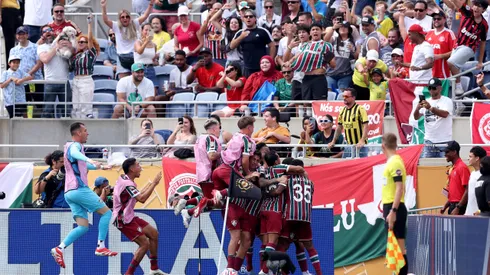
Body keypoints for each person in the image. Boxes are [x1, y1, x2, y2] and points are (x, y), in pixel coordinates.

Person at [51, 122, 116, 269]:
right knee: (106, 214)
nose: (88, 133)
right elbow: (77, 154)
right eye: (85, 131)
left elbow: (81, 165)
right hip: (79, 189)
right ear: (78, 133)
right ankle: (100, 246)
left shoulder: (69, 148)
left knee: (83, 226)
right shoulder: (75, 146)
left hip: (69, 193)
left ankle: (59, 248)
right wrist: (89, 159)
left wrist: (101, 166)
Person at [112, 158, 167, 275]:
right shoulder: (128, 184)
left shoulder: (124, 178)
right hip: (122, 219)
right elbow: (142, 199)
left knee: (153, 234)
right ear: (131, 169)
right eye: (138, 165)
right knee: (144, 244)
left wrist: (150, 185)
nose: (140, 167)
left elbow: (137, 195)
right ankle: (129, 273)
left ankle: (154, 269)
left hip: (129, 216)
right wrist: (154, 184)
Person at [175, 119, 223, 226]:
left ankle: (186, 203)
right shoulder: (211, 139)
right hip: (210, 174)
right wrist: (224, 152)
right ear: (214, 128)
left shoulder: (200, 138)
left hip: (202, 173)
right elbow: (211, 155)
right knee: (216, 202)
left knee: (209, 200)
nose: (220, 131)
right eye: (219, 128)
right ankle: (188, 212)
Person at [445, 0, 488, 95]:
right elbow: (455, 3)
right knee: (453, 71)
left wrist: (481, 61)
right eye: (475, 5)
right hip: (457, 46)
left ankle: (459, 86)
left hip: (469, 48)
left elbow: (483, 42)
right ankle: (460, 104)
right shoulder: (467, 12)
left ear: (483, 10)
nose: (476, 8)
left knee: (450, 62)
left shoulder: (484, 25)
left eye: (479, 6)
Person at [101, 0, 153, 79]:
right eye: (122, 17)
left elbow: (145, 15)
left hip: (134, 57)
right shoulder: (116, 26)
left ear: (130, 17)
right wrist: (103, 7)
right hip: (121, 57)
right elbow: (105, 20)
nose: (125, 18)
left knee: (136, 81)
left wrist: (151, 4)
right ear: (120, 18)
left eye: (127, 16)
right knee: (123, 82)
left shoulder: (134, 23)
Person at [380, 133, 409, 275]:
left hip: (395, 207)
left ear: (383, 146)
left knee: (398, 248)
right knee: (396, 248)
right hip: (391, 206)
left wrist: (393, 211)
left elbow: (399, 187)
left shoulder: (395, 162)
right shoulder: (392, 162)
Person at [413, 77, 454, 158]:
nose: (431, 90)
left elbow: (445, 114)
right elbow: (416, 117)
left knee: (443, 167)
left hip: (444, 141)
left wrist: (430, 108)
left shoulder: (447, 100)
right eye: (429, 88)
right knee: (427, 167)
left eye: (434, 88)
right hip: (429, 140)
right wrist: (417, 109)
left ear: (440, 88)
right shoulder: (427, 101)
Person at [38, 25, 71, 118]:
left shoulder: (64, 43)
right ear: (42, 35)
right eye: (45, 31)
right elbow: (45, 59)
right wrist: (57, 46)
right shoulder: (41, 47)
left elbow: (73, 54)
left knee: (67, 110)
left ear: (54, 32)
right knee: (47, 110)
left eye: (50, 30)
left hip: (65, 82)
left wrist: (69, 46)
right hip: (50, 82)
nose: (48, 32)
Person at [230, 9, 276, 77]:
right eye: (246, 16)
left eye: (251, 16)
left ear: (255, 19)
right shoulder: (240, 32)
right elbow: (231, 46)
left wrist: (270, 61)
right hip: (246, 67)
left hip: (261, 67)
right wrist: (241, 37)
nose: (248, 18)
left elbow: (272, 46)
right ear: (243, 19)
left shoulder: (263, 31)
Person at [70, 15, 100, 119]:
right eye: (79, 42)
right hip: (76, 79)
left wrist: (89, 24)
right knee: (76, 106)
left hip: (86, 79)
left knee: (85, 106)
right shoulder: (76, 55)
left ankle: (86, 124)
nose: (80, 43)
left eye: (83, 42)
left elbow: (90, 38)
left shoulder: (90, 53)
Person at [328, 88, 369, 158]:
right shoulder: (342, 110)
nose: (344, 98)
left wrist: (362, 140)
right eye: (343, 96)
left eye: (346, 96)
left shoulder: (360, 109)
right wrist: (333, 141)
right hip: (348, 145)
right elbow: (339, 127)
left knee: (361, 166)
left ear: (353, 97)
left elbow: (366, 126)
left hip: (360, 145)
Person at [10, 26, 44, 107]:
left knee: (39, 103)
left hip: (36, 80)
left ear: (27, 35)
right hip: (21, 82)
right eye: (19, 34)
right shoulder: (13, 50)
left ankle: (39, 119)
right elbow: (12, 67)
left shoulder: (35, 47)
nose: (21, 36)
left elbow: (39, 63)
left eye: (23, 34)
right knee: (24, 105)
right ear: (16, 36)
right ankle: (25, 119)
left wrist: (29, 73)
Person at [440, 141, 471, 215]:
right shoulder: (454, 168)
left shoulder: (462, 167)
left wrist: (458, 207)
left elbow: (467, 190)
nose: (445, 155)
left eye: (447, 152)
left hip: (459, 207)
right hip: (453, 205)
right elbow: (455, 192)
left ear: (454, 152)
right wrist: (446, 205)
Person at [425, 11, 456, 79]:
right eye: (434, 19)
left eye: (439, 19)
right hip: (429, 72)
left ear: (444, 20)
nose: (436, 20)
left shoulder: (449, 33)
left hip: (443, 72)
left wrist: (440, 56)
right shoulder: (429, 33)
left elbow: (455, 52)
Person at [135, 23, 159, 96]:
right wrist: (146, 41)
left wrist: (159, 62)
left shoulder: (154, 45)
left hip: (150, 68)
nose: (148, 32)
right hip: (140, 69)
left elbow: (152, 59)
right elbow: (139, 51)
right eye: (146, 30)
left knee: (153, 92)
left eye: (150, 30)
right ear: (142, 31)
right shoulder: (138, 42)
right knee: (141, 92)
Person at [465, 146, 487, 216]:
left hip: (480, 215)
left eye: (470, 157)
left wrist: (480, 211)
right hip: (469, 213)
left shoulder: (485, 175)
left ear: (477, 158)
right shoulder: (472, 173)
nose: (469, 159)